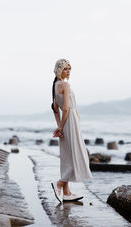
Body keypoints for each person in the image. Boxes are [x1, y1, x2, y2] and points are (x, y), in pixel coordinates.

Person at [51, 58, 93, 203]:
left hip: (65, 122)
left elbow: (56, 109)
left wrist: (59, 126)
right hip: (70, 121)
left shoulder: (55, 85)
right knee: (76, 153)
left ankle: (67, 193)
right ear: (59, 69)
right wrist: (61, 127)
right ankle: (61, 183)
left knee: (67, 155)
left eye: (70, 69)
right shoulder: (65, 85)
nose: (68, 71)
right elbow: (67, 108)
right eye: (65, 68)